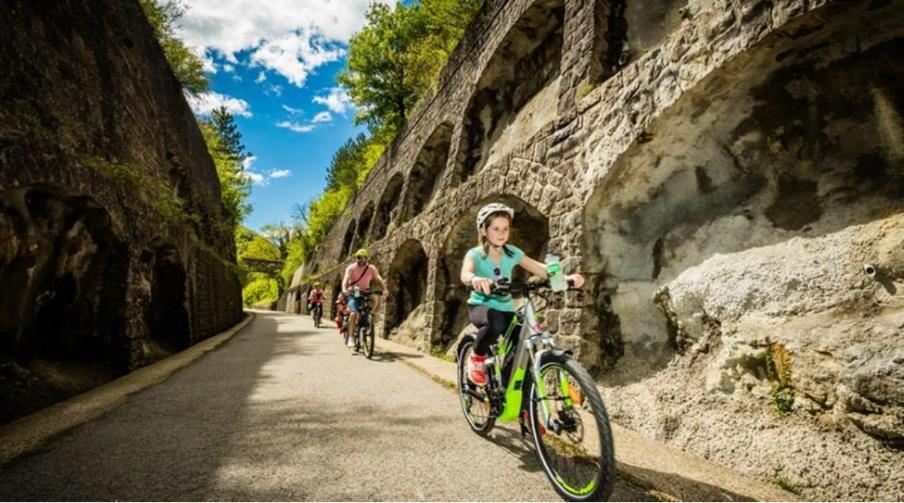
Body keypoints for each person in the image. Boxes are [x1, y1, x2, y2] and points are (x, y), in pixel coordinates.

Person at [459, 203, 584, 385]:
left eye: (505, 229)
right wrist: (475, 279)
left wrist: (566, 278)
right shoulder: (476, 254)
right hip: (481, 305)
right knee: (495, 322)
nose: (501, 233)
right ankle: (477, 357)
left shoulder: (512, 253)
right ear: (484, 231)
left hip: (506, 307)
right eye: (495, 229)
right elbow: (465, 273)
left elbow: (540, 269)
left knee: (522, 344)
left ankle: (511, 391)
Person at [342, 248, 389, 348]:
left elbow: (378, 278)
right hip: (354, 291)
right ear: (356, 258)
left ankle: (370, 316)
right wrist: (344, 289)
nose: (361, 260)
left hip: (366, 290)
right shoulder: (351, 268)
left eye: (363, 258)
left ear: (366, 258)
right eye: (359, 257)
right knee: (354, 313)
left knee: (375, 297)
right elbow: (345, 279)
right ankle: (350, 337)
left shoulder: (371, 268)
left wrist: (385, 289)